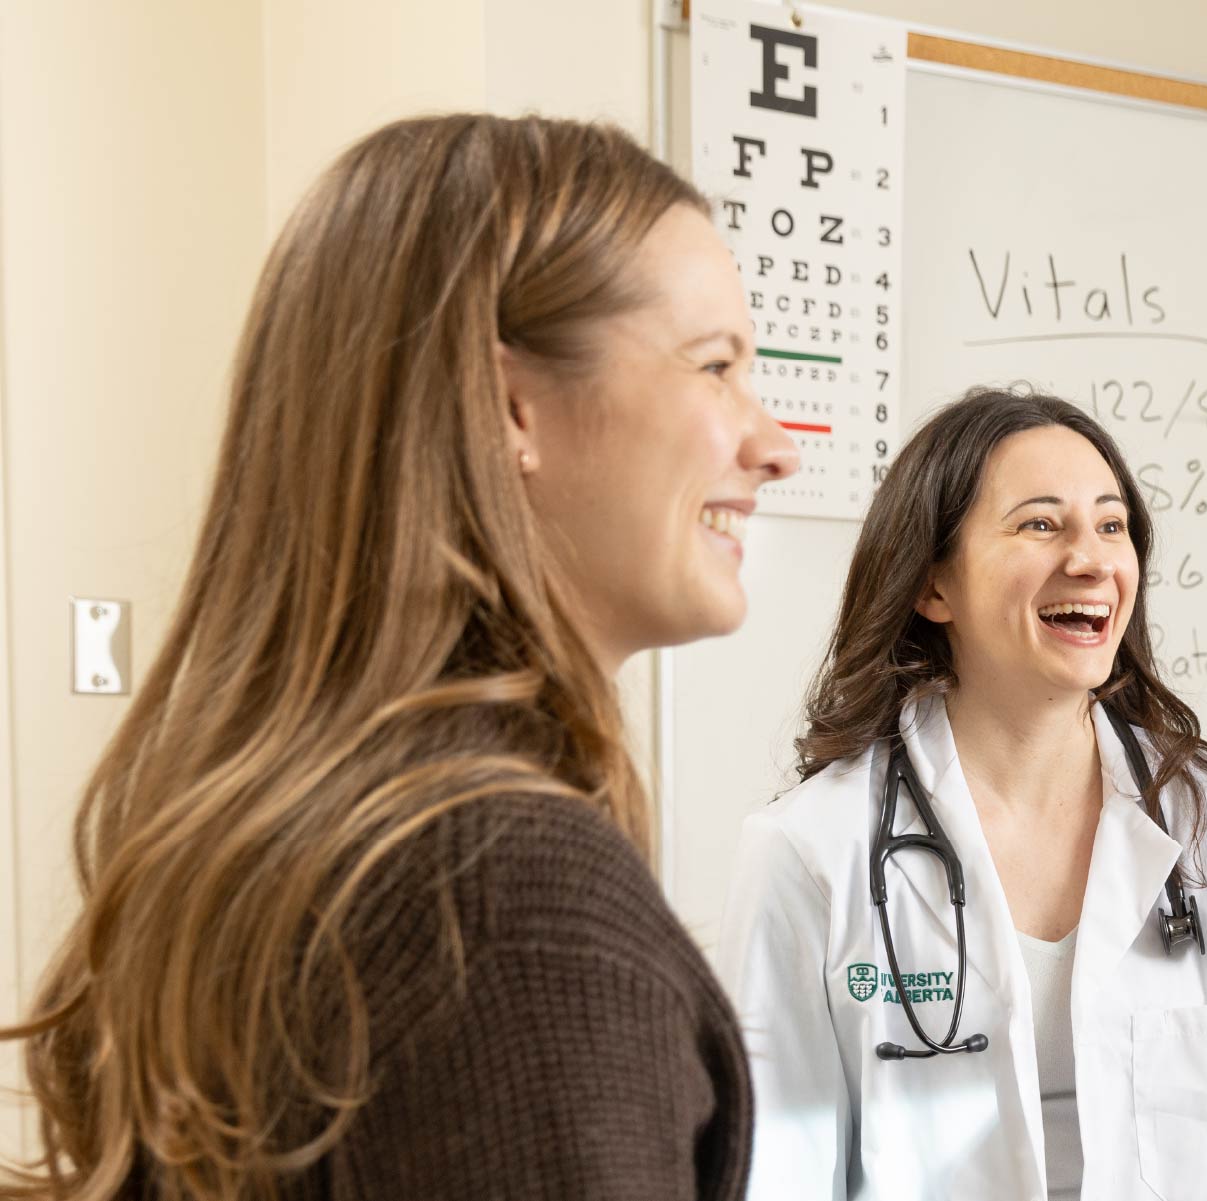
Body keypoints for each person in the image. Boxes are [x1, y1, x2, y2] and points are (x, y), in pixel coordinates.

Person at [2, 114, 800, 1199]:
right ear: (511, 404)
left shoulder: (290, 840)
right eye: (716, 366)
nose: (776, 446)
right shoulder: (509, 909)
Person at [718, 388, 1207, 1200]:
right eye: (1041, 524)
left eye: (1111, 526)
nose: (1091, 559)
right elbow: (777, 1178)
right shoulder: (811, 850)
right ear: (933, 585)